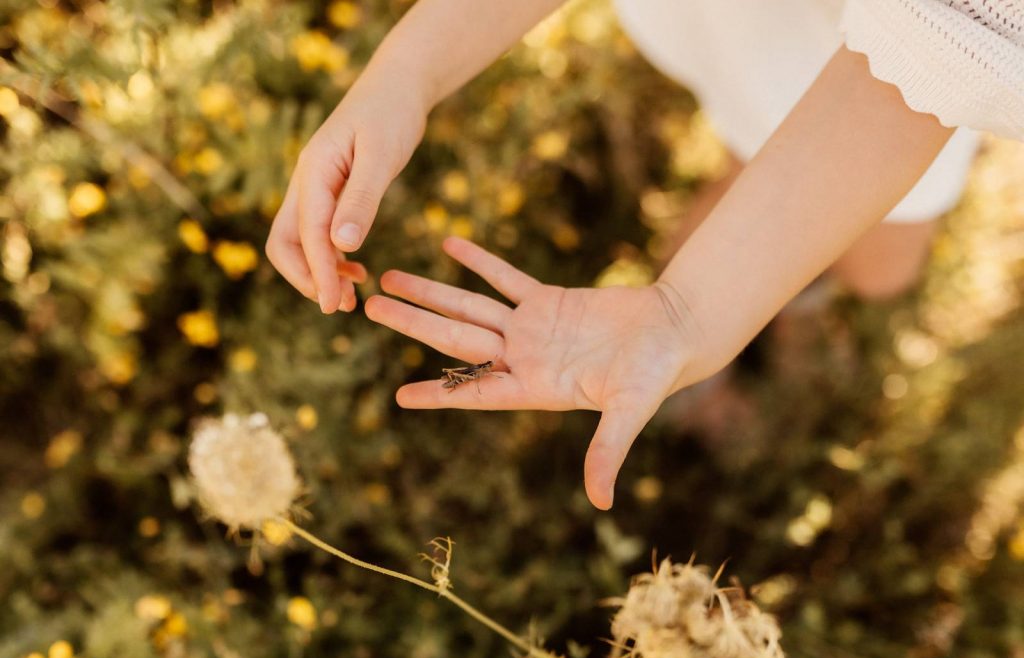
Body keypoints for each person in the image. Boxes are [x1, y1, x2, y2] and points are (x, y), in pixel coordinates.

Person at [265, 0, 1024, 510]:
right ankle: (763, 231)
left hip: (880, 71)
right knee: (755, 120)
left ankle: (785, 265)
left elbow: (939, 40)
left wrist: (687, 309)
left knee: (883, 267)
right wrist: (405, 74)